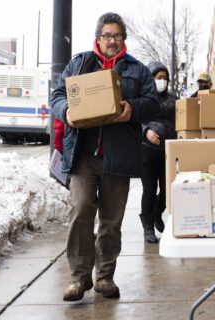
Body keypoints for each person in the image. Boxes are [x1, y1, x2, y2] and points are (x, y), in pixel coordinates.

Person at [51, 12, 159, 302]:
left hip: (119, 156)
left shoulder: (137, 70)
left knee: (111, 221)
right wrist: (67, 112)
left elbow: (153, 103)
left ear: (124, 39)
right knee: (81, 211)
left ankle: (105, 277)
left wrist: (132, 109)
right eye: (107, 36)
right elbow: (57, 95)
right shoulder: (80, 63)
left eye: (117, 36)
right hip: (84, 154)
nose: (112, 41)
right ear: (97, 38)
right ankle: (78, 277)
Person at [140, 61, 176, 243]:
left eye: (165, 78)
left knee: (167, 190)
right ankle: (147, 226)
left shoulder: (173, 99)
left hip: (167, 153)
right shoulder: (144, 98)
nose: (162, 81)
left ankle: (156, 213)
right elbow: (136, 120)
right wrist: (146, 131)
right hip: (147, 152)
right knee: (149, 189)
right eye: (159, 78)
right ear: (151, 78)